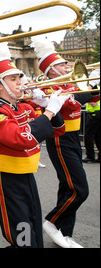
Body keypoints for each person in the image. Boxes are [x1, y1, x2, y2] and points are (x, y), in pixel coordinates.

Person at [0, 34, 68, 247]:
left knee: (33, 223)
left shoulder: (25, 107)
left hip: (27, 175)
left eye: (20, 78)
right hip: (8, 178)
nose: (21, 82)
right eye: (13, 79)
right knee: (21, 231)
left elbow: (58, 130)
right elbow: (22, 139)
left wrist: (48, 105)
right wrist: (48, 112)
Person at [31, 37, 100, 248]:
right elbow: (73, 102)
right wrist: (91, 86)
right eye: (62, 64)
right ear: (51, 70)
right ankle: (52, 221)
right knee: (80, 189)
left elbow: (92, 99)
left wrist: (95, 85)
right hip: (60, 139)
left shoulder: (70, 83)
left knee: (68, 185)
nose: (67, 66)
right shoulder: (50, 88)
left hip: (72, 138)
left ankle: (64, 232)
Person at [82, 69, 100, 163]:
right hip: (96, 112)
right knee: (98, 136)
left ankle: (90, 156)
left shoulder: (94, 87)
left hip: (95, 113)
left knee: (88, 136)